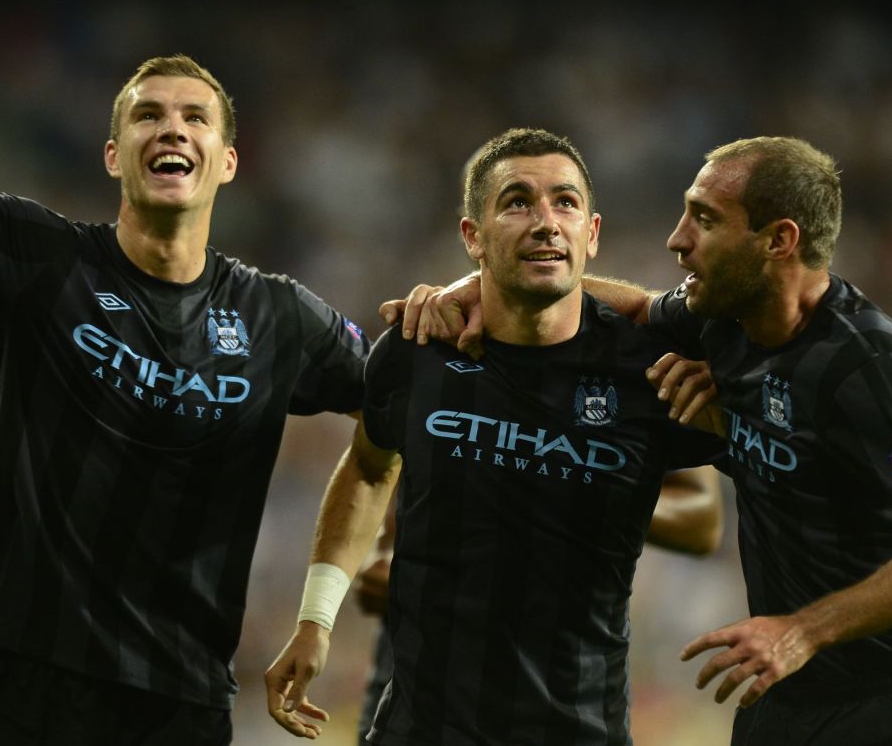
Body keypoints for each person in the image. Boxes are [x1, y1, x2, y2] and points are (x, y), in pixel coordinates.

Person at [0, 0, 396, 745]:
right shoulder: (41, 257)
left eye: (195, 117)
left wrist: (320, 612)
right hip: (23, 681)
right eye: (148, 115)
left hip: (178, 700)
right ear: (114, 154)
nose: (171, 128)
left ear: (227, 160)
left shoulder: (279, 317)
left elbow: (398, 410)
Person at [402, 136, 892, 745]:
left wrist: (802, 631)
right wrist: (486, 284)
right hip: (784, 698)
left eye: (705, 220)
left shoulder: (869, 365)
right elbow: (634, 310)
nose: (677, 239)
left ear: (778, 240)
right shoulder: (724, 323)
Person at [264, 127, 726, 744]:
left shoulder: (650, 370)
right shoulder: (418, 350)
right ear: (471, 237)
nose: (546, 222)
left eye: (565, 203)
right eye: (517, 203)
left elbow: (722, 501)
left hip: (579, 730)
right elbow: (369, 468)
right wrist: (316, 620)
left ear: (591, 233)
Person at [351, 468, 724, 745]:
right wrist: (383, 548)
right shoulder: (440, 381)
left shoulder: (640, 381)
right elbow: (386, 449)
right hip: (423, 675)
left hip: (560, 682)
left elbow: (703, 519)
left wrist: (573, 492)